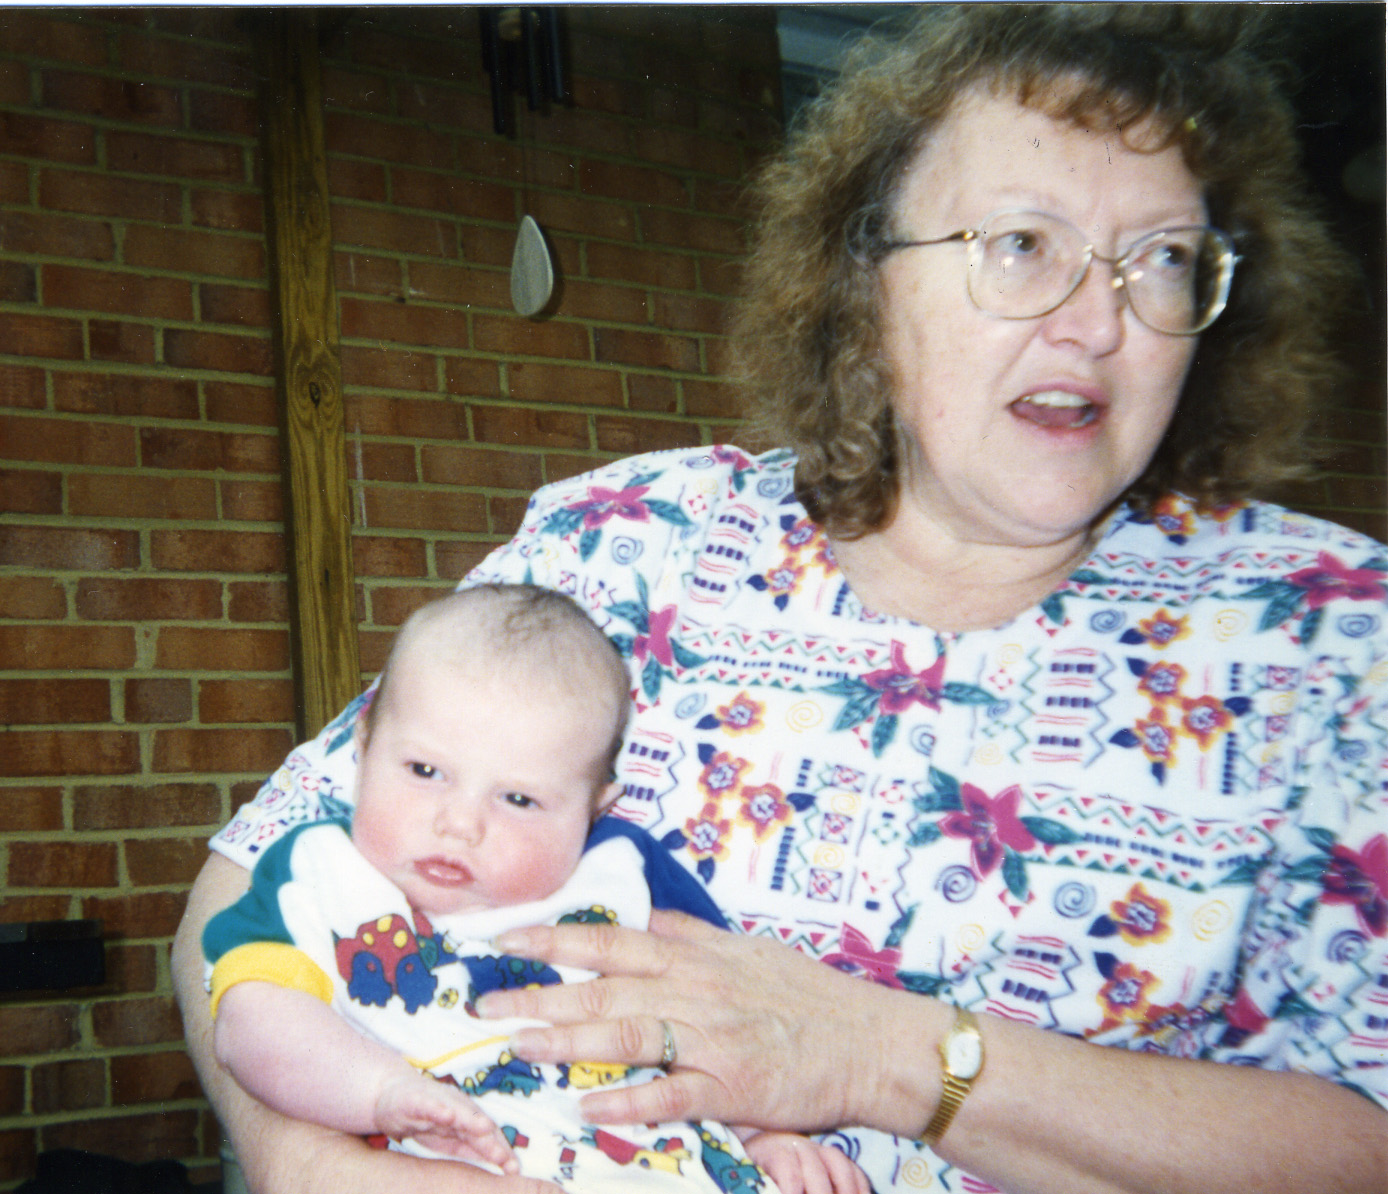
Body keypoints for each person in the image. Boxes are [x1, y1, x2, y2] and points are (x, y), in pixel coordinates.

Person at [174, 7, 1388, 1194]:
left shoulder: (1333, 635)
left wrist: (879, 1055)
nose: (1096, 322)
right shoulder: (625, 546)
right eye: (1022, 244)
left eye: (1163, 258)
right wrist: (305, 1163)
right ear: (866, 281)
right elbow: (251, 880)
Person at [200, 585, 866, 1194]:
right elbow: (252, 1023)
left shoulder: (623, 871)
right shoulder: (317, 873)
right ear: (365, 743)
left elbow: (723, 1023)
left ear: (594, 807)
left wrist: (765, 1135)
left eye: (518, 799)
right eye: (425, 770)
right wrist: (379, 1093)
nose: (459, 823)